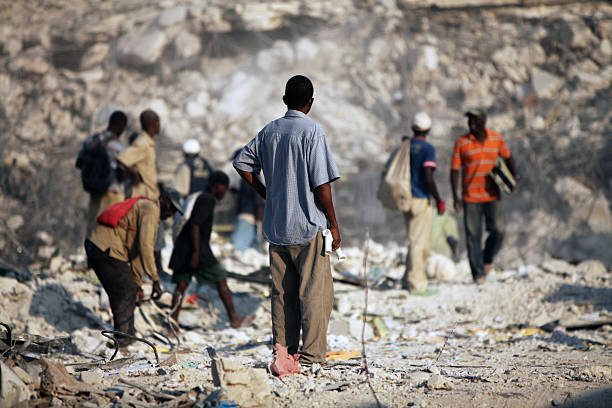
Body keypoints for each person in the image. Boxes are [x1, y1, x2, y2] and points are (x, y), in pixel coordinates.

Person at [233, 75, 341, 367]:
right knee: (315, 293)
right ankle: (311, 355)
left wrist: (266, 194)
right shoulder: (313, 131)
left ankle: (284, 352)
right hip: (308, 226)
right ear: (311, 103)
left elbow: (243, 164)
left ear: (284, 101)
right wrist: (334, 224)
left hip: (277, 227)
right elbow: (322, 185)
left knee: (282, 294)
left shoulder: (269, 131)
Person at [84, 188, 182, 346]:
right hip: (105, 247)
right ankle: (123, 337)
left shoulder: (149, 212)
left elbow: (136, 254)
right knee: (124, 289)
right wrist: (155, 280)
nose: (170, 214)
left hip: (98, 246)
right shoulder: (151, 209)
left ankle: (128, 335)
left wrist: (139, 285)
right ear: (163, 200)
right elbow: (145, 248)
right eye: (171, 208)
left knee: (127, 289)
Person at [169, 171, 252, 329]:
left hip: (185, 248)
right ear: (217, 186)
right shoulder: (208, 200)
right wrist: (196, 252)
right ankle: (234, 319)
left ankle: (172, 325)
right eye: (224, 188)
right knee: (220, 279)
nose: (225, 192)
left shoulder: (201, 197)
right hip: (198, 250)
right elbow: (195, 224)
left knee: (181, 286)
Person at [450, 108, 519, 284]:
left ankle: (487, 258)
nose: (472, 124)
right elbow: (454, 170)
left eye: (475, 120)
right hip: (470, 196)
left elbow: (507, 158)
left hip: (492, 195)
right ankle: (478, 274)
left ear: (484, 121)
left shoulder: (497, 139)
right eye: (470, 121)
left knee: (498, 230)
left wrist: (514, 176)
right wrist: (456, 196)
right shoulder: (462, 143)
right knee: (473, 235)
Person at [401, 112, 445, 293]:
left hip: (405, 199)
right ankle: (417, 285)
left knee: (414, 241)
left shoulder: (406, 145)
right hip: (420, 199)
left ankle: (407, 279)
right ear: (428, 130)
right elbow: (428, 177)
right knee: (419, 244)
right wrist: (439, 199)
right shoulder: (427, 149)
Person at [76, 110, 127, 235]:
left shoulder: (91, 141)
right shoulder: (119, 146)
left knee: (93, 229)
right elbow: (124, 172)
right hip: (113, 193)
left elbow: (79, 164)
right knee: (110, 233)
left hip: (95, 191)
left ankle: (90, 254)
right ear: (121, 125)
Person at [118, 110, 160, 199]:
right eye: (158, 122)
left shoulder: (149, 143)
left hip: (150, 193)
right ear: (153, 124)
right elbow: (122, 159)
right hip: (142, 195)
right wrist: (133, 173)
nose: (159, 125)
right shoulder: (143, 143)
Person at [230, 150, 265, 252]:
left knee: (237, 249)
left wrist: (260, 221)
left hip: (248, 217)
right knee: (253, 250)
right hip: (249, 216)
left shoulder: (250, 177)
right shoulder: (246, 177)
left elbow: (259, 201)